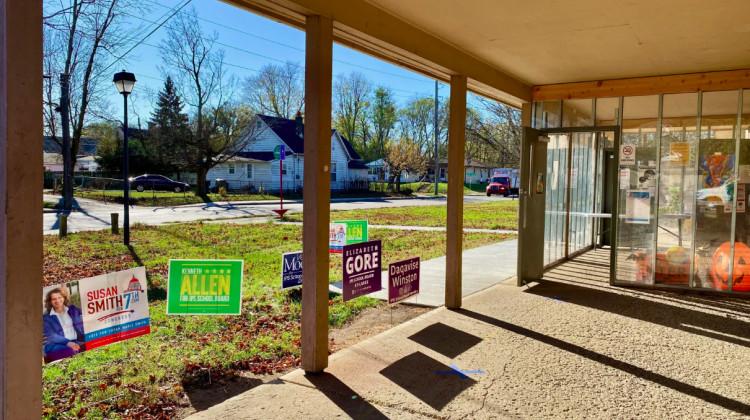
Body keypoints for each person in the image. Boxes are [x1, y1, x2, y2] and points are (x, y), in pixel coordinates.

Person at [43, 287, 85, 363]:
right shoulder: (46, 318)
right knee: (70, 350)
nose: (57, 300)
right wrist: (68, 342)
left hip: (75, 341)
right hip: (55, 346)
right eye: (54, 299)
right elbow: (51, 335)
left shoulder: (72, 309)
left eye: (59, 297)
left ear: (64, 298)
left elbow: (88, 311)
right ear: (50, 301)